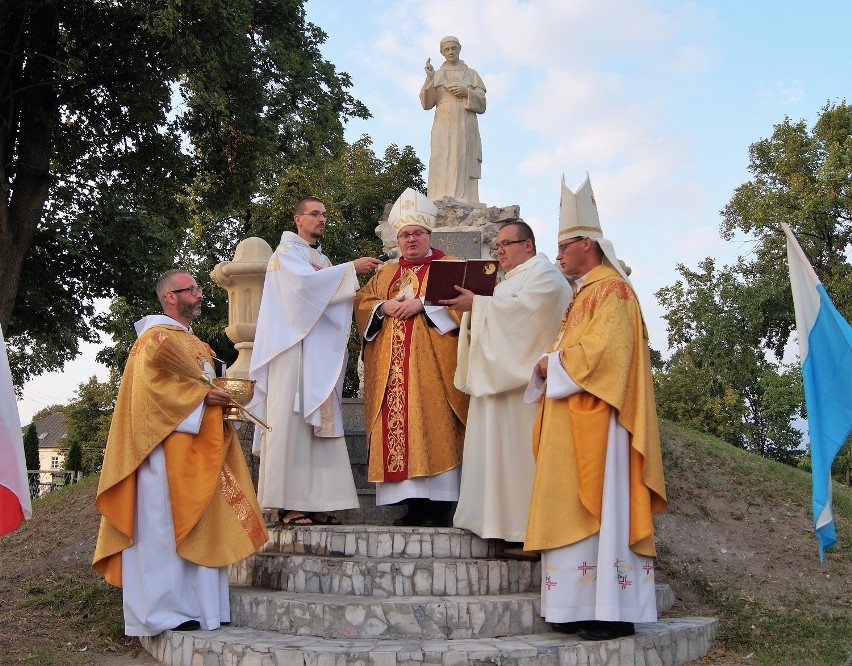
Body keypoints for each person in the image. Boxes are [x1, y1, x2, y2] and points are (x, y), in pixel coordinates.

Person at [523, 176, 667, 641]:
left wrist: (554, 363)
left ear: (588, 243)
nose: (558, 255)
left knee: (603, 512)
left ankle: (611, 611)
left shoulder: (613, 291)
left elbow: (609, 354)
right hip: (575, 418)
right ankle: (580, 607)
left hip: (601, 424)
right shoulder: (586, 292)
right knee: (575, 511)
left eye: (564, 246)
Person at [92, 270, 268, 636]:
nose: (200, 295)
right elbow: (150, 392)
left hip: (201, 448)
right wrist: (204, 396)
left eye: (198, 289)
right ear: (170, 296)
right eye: (192, 290)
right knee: (161, 531)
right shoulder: (153, 341)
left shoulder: (197, 344)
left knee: (203, 525)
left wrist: (223, 400)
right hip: (163, 452)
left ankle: (201, 608)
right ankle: (158, 613)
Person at [249, 197, 383, 526]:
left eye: (323, 214)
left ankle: (319, 501)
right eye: (314, 214)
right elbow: (302, 291)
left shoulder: (320, 259)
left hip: (317, 354)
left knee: (319, 430)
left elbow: (328, 297)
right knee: (292, 425)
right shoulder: (286, 255)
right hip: (291, 351)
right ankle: (287, 504)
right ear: (298, 219)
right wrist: (351, 269)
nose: (321, 219)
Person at [442, 221, 571, 549]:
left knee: (516, 461)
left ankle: (521, 531)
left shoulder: (546, 276)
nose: (499, 251)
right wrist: (477, 310)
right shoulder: (508, 282)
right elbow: (498, 316)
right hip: (495, 385)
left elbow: (528, 318)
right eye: (497, 245)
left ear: (527, 245)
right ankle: (490, 523)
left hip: (521, 392)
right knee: (492, 457)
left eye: (506, 244)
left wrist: (480, 306)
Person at [354, 188, 469, 527]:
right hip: (394, 376)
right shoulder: (385, 274)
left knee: (434, 427)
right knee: (402, 432)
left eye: (417, 233)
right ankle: (412, 506)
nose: (410, 240)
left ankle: (440, 506)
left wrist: (426, 304)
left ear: (429, 234)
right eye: (404, 235)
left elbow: (470, 312)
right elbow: (362, 303)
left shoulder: (451, 268)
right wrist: (381, 306)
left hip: (435, 373)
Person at [420, 36, 486, 206]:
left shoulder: (471, 74)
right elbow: (427, 104)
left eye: (453, 48)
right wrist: (429, 78)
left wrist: (466, 92)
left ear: (459, 49)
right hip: (443, 120)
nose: (450, 52)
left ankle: (464, 199)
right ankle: (439, 197)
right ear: (441, 52)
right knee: (441, 156)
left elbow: (482, 104)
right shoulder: (438, 74)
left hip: (465, 119)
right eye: (446, 49)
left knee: (462, 154)